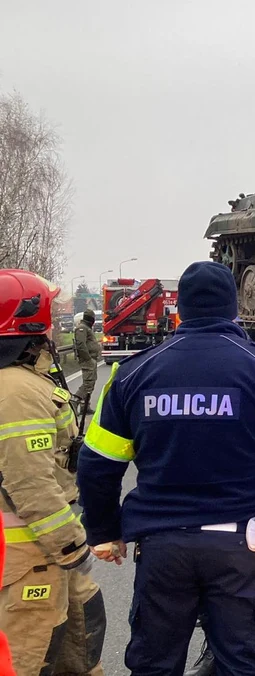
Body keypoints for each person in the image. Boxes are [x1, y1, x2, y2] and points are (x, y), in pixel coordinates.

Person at [77, 260, 255, 676]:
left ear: (181, 313)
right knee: (241, 665)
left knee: (155, 665)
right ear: (235, 311)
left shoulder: (131, 375)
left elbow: (97, 465)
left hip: (162, 550)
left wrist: (104, 532)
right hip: (241, 551)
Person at [0, 269, 106, 676]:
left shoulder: (26, 380)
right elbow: (31, 484)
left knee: (81, 649)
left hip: (44, 554)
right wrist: (71, 546)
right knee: (29, 660)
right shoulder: (16, 391)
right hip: (32, 557)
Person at [72, 310, 103, 413]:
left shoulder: (86, 328)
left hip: (91, 359)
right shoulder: (82, 328)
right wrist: (88, 358)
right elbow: (80, 345)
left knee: (91, 382)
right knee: (88, 383)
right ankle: (75, 400)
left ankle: (85, 406)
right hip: (87, 360)